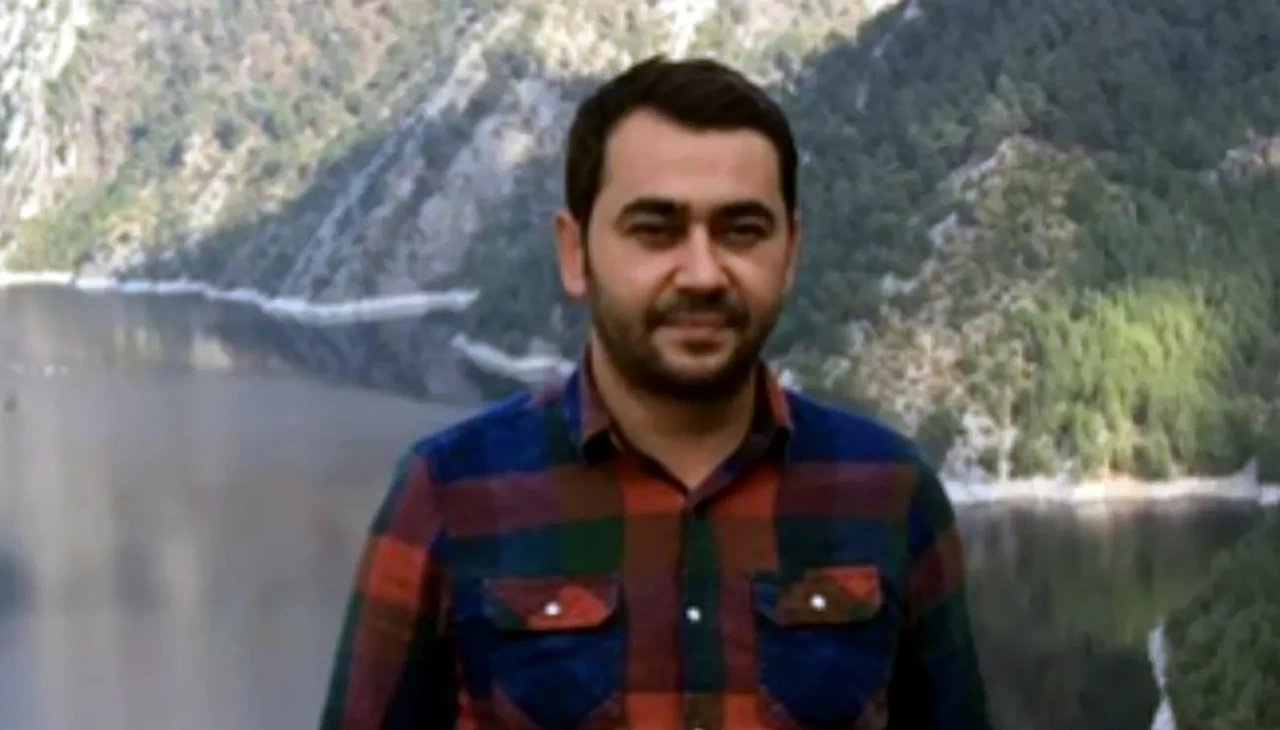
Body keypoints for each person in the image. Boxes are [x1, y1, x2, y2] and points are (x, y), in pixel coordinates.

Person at [318, 54, 992, 730]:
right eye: (655, 230)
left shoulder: (892, 496)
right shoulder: (447, 495)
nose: (702, 273)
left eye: (742, 231)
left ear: (789, 254)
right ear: (575, 253)